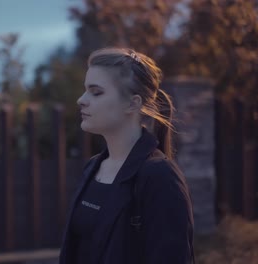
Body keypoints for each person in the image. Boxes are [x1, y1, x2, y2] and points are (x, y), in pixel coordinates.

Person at [59, 47, 195, 264]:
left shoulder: (160, 177)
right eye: (85, 90)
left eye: (96, 92)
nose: (81, 100)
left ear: (133, 103)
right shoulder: (93, 167)